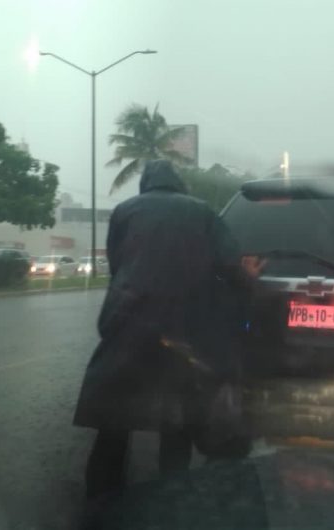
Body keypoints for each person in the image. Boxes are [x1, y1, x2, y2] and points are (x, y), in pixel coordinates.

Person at [73, 160, 262, 500]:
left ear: (146, 185)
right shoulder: (202, 212)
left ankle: (100, 501)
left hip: (126, 322)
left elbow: (119, 266)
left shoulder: (124, 211)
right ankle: (171, 498)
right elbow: (229, 265)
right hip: (181, 329)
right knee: (176, 422)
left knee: (114, 422)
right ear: (178, 184)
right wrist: (249, 278)